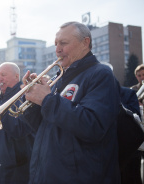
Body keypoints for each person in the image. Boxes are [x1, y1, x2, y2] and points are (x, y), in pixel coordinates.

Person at [21, 22, 121, 183]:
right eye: (56, 44)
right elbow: (42, 127)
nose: (57, 49)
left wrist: (47, 100)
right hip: (48, 175)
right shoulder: (58, 79)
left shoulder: (101, 74)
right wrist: (31, 98)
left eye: (63, 43)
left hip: (78, 176)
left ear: (85, 43)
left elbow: (92, 125)